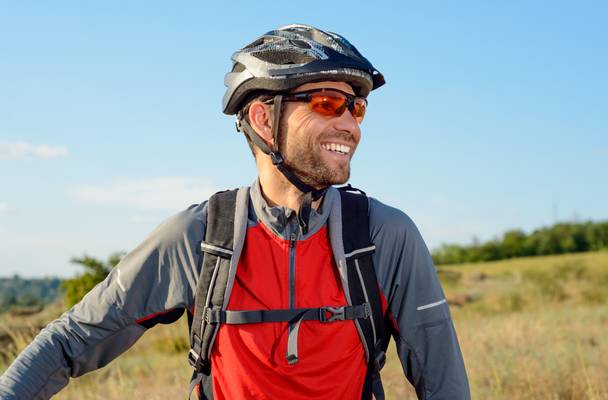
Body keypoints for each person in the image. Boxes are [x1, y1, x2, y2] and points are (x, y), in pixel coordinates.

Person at [0, 24, 470, 400]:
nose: (349, 125)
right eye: (328, 103)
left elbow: (444, 383)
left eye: (357, 107)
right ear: (265, 118)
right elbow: (70, 341)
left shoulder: (384, 236)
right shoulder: (200, 237)